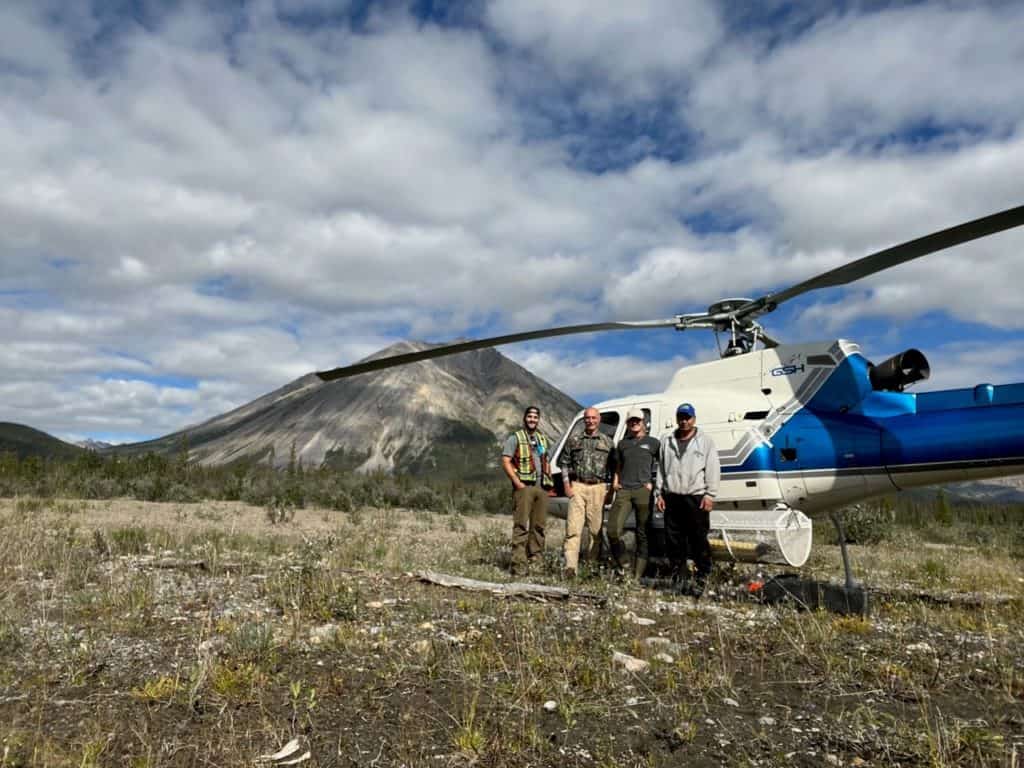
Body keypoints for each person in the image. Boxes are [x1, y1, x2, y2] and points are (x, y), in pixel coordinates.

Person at [654, 403, 720, 597]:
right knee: (674, 541)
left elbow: (713, 468)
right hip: (672, 497)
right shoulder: (667, 441)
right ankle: (679, 579)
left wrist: (710, 494)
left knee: (698, 539)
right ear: (677, 419)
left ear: (694, 419)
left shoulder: (705, 441)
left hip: (695, 497)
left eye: (687, 417)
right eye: (681, 417)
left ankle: (702, 578)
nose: (684, 421)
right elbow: (661, 469)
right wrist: (659, 493)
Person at [561, 407, 614, 578]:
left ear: (599, 420)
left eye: (593, 418)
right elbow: (564, 463)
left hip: (598, 488)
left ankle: (592, 567)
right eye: (587, 418)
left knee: (595, 531)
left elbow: (614, 468)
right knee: (573, 529)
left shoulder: (608, 442)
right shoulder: (574, 440)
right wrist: (567, 485)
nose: (590, 421)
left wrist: (610, 490)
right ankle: (570, 567)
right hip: (578, 486)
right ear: (584, 420)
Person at [501, 406, 553, 576]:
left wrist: (548, 482)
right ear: (525, 418)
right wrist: (517, 483)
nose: (532, 419)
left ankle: (536, 561)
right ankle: (518, 565)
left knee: (539, 526)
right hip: (524, 488)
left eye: (535, 417)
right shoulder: (515, 438)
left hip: (541, 488)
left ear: (538, 420)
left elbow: (547, 461)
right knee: (521, 525)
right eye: (530, 416)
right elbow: (506, 461)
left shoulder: (542, 440)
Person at [609, 408, 660, 579]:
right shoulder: (622, 444)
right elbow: (618, 466)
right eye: (631, 420)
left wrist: (653, 484)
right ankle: (624, 563)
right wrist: (616, 482)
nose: (635, 423)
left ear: (643, 422)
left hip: (643, 492)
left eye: (637, 420)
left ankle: (636, 577)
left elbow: (663, 465)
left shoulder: (653, 443)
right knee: (613, 530)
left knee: (642, 533)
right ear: (627, 423)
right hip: (624, 490)